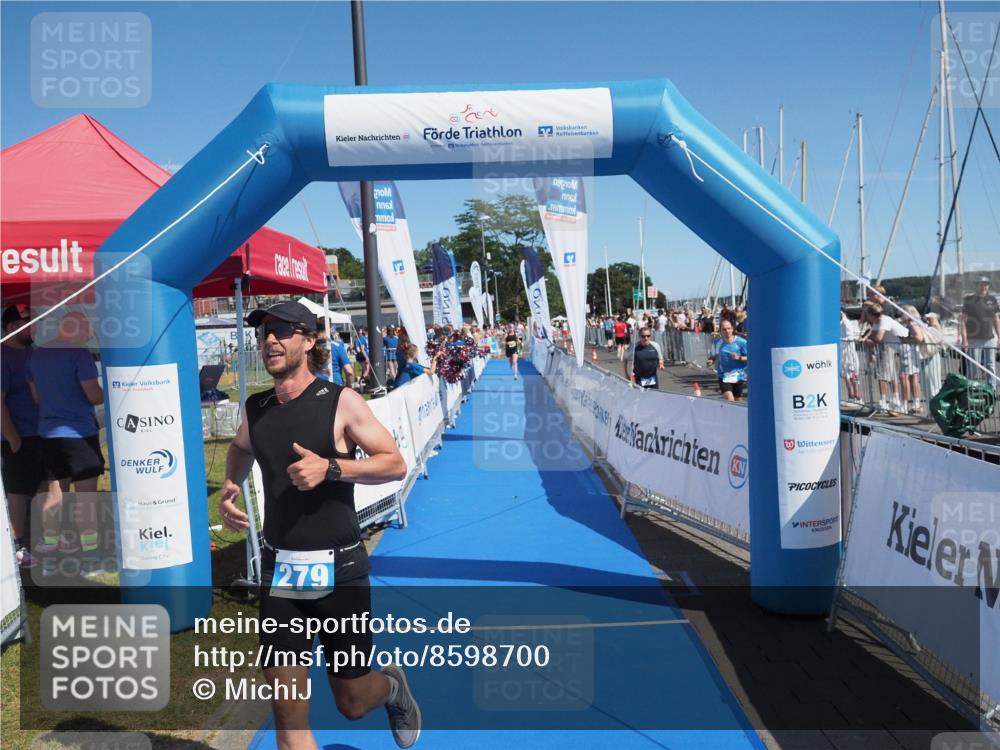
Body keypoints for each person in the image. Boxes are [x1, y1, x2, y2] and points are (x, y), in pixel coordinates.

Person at [219, 301, 419, 750]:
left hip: (341, 574)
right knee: (288, 723)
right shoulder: (256, 407)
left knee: (351, 702)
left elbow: (394, 463)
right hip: (280, 576)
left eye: (284, 330)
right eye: (265, 331)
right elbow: (240, 447)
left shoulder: (341, 401)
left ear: (309, 340)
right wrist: (230, 487)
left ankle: (388, 686)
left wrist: (331, 469)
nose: (271, 339)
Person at [28, 311, 104, 557]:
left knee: (55, 491)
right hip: (79, 433)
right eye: (87, 331)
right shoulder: (78, 354)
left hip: (48, 433)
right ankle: (91, 549)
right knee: (86, 497)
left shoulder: (36, 355)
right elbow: (93, 395)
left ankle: (50, 543)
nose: (88, 336)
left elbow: (36, 397)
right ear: (77, 328)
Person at [1, 305, 43, 567]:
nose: (34, 328)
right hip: (17, 437)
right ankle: (16, 547)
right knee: (17, 492)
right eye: (29, 323)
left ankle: (37, 542)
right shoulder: (3, 356)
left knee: (42, 488)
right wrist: (13, 437)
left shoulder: (34, 354)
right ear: (12, 327)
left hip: (42, 432)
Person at [960, 277, 999, 384]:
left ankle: (992, 390)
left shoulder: (992, 299)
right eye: (981, 285)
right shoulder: (968, 300)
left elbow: (996, 319)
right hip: (974, 339)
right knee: (973, 366)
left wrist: (999, 337)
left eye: (986, 284)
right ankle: (969, 389)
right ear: (977, 285)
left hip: (989, 338)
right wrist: (964, 339)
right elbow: (963, 320)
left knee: (990, 365)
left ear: (988, 286)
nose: (983, 287)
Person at [707, 319, 748, 401]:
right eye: (724, 329)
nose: (727, 331)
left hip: (738, 375)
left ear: (732, 329)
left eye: (729, 328)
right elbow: (713, 356)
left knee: (737, 402)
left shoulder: (742, 342)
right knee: (730, 400)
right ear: (720, 331)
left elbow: (752, 358)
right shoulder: (717, 342)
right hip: (724, 376)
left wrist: (739, 358)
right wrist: (711, 361)